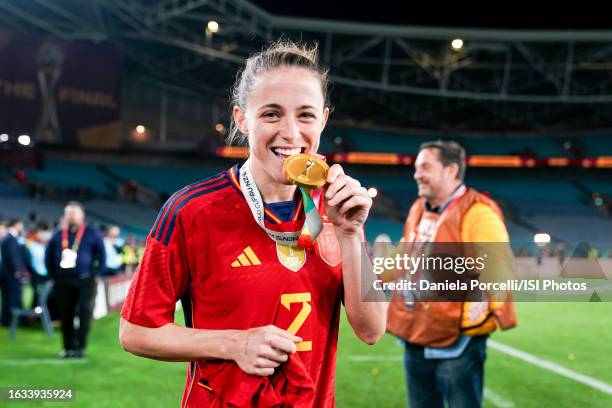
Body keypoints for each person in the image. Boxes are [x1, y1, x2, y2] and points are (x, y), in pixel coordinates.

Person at [119, 41, 386, 407]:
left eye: (305, 115)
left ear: (323, 119)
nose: (291, 133)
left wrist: (352, 234)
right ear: (242, 118)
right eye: (272, 114)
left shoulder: (337, 209)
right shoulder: (191, 210)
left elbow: (371, 330)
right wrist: (234, 343)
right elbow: (135, 331)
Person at [386, 141, 517, 408]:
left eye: (425, 167)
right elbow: (405, 255)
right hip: (416, 330)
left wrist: (487, 299)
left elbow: (497, 268)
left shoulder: (478, 212)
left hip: (457, 338)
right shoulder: (418, 208)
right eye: (415, 168)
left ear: (450, 170)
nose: (416, 174)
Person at [45, 202, 106, 358]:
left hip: (85, 281)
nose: (71, 216)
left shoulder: (91, 233)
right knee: (66, 315)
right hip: (63, 281)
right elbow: (48, 255)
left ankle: (81, 347)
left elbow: (102, 255)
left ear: (82, 216)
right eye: (69, 213)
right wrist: (53, 275)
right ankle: (68, 348)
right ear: (65, 216)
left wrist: (97, 274)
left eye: (74, 213)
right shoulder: (58, 235)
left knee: (85, 313)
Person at [1, 219, 26, 327]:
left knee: (7, 297)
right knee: (13, 297)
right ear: (17, 225)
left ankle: (5, 320)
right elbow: (13, 256)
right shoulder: (11, 238)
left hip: (6, 273)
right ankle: (12, 320)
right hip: (11, 273)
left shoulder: (6, 237)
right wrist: (17, 270)